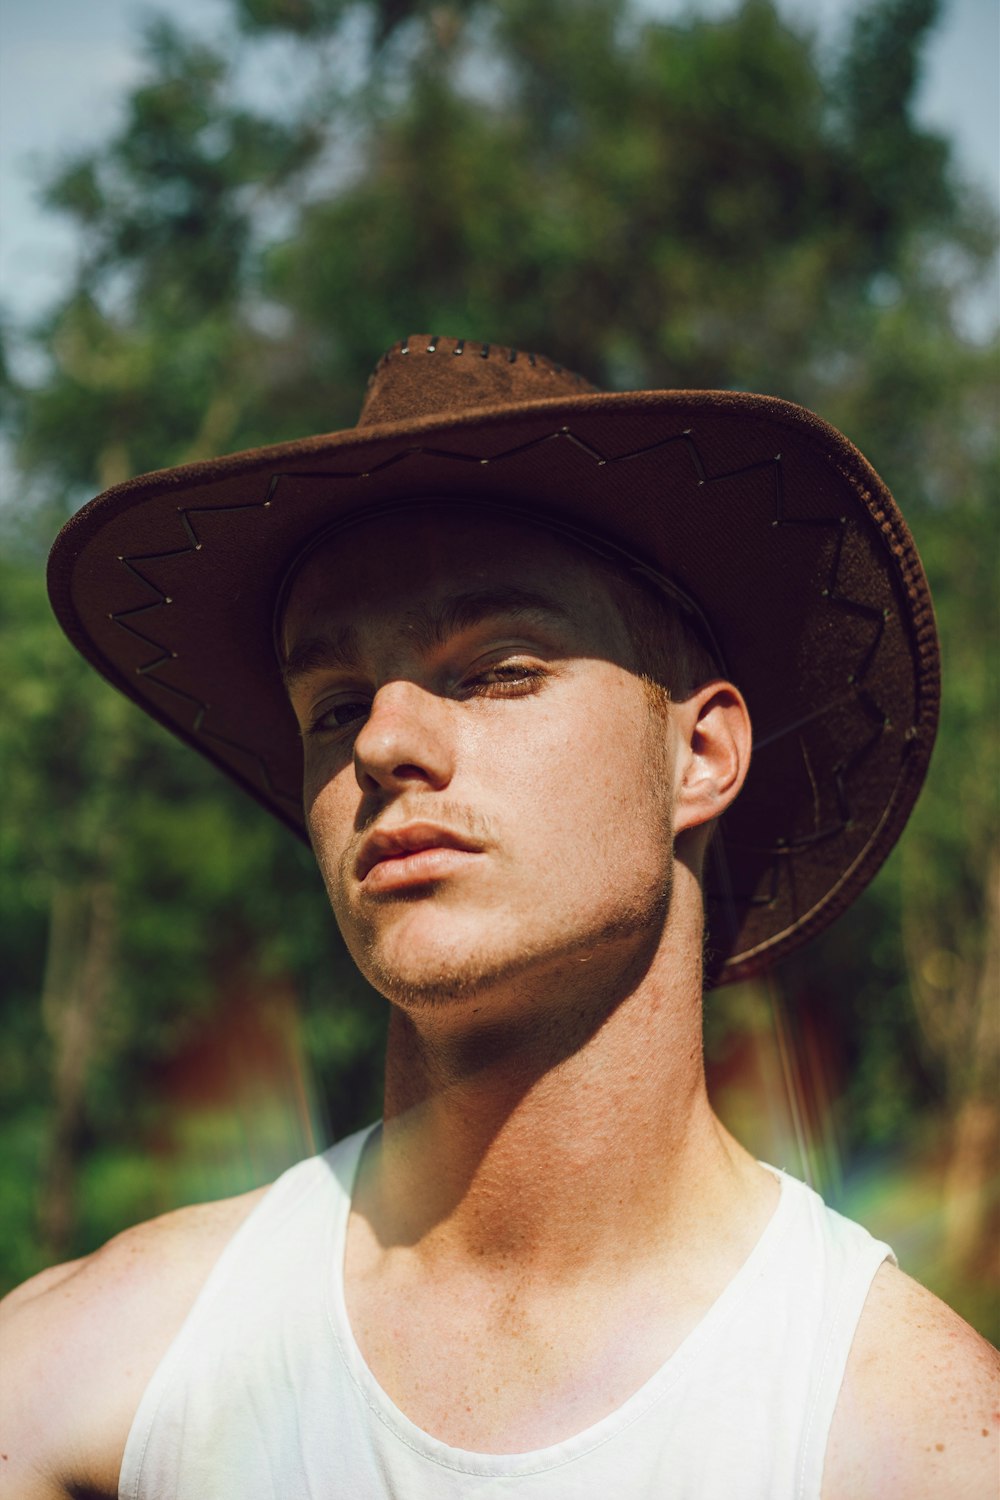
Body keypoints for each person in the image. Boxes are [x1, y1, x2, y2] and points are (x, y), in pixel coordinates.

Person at [2, 335, 996, 1498]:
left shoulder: (909, 1436)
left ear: (701, 753)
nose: (382, 743)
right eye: (334, 705)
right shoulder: (90, 1377)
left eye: (497, 669)